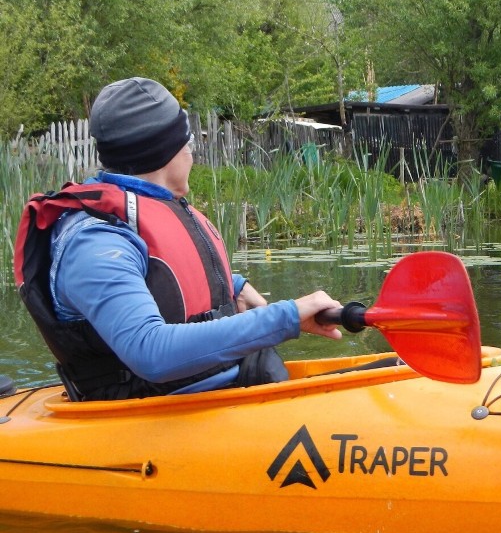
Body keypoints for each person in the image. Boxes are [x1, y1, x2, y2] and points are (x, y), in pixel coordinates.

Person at [14, 77, 342, 401]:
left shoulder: (142, 213)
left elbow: (160, 280)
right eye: (188, 143)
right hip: (144, 419)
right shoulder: (96, 241)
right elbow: (151, 352)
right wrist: (283, 317)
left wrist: (235, 286)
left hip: (222, 389)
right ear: (169, 151)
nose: (192, 154)